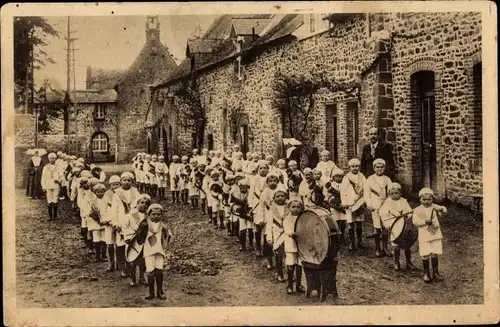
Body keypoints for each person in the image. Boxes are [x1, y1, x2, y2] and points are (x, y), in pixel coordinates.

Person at [412, 188, 447, 283]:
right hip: (424, 234)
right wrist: (424, 222)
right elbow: (415, 221)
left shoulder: (434, 207)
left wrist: (441, 209)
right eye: (424, 199)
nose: (427, 202)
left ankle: (435, 272)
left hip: (435, 233)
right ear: (420, 199)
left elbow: (444, 210)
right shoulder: (417, 210)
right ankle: (426, 273)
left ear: (432, 199)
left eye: (429, 199)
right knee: (425, 253)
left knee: (434, 253)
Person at [379, 182, 415, 271]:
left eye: (396, 193)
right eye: (392, 193)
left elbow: (410, 213)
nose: (394, 195)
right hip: (394, 226)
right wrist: (387, 225)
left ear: (400, 193)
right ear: (389, 194)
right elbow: (383, 215)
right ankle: (396, 262)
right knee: (396, 245)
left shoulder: (404, 202)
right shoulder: (387, 203)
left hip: (404, 226)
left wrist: (407, 216)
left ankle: (408, 262)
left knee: (407, 244)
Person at [111, 172, 141, 278]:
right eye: (124, 180)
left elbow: (138, 207)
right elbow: (114, 209)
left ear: (131, 181)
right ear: (121, 181)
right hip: (121, 220)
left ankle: (130, 267)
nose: (126, 182)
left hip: (131, 221)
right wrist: (115, 223)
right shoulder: (116, 193)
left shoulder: (135, 192)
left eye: (129, 180)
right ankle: (122, 268)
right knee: (120, 245)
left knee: (131, 245)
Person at [143, 203, 173, 300]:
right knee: (150, 271)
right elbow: (139, 238)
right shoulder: (145, 224)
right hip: (148, 250)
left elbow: (168, 236)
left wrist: (165, 245)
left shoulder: (163, 226)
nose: (156, 216)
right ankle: (151, 292)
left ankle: (160, 291)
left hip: (160, 250)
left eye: (158, 214)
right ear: (149, 214)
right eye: (153, 214)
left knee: (159, 270)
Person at [364, 158, 392, 257]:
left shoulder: (387, 179)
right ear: (374, 168)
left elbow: (391, 193)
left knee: (385, 227)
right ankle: (377, 248)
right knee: (377, 227)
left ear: (384, 168)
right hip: (375, 205)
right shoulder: (369, 179)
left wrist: (389, 204)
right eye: (377, 167)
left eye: (381, 167)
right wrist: (369, 204)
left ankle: (385, 247)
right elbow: (366, 194)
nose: (379, 169)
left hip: (385, 205)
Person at [122, 193, 151, 287]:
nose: (144, 205)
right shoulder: (130, 215)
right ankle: (133, 278)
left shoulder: (148, 216)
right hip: (132, 239)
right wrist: (127, 237)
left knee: (142, 260)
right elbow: (125, 227)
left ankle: (142, 277)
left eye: (146, 203)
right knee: (132, 261)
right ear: (137, 203)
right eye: (142, 202)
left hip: (143, 240)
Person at [340, 158, 367, 251]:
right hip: (349, 202)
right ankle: (352, 242)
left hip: (359, 202)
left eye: (356, 166)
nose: (355, 168)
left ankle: (360, 241)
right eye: (352, 166)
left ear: (359, 167)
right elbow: (342, 191)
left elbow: (365, 188)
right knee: (351, 223)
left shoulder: (362, 177)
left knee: (359, 222)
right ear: (349, 167)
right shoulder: (346, 177)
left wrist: (364, 200)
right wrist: (344, 202)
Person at [265, 185, 288, 282]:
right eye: (277, 196)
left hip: (287, 233)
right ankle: (280, 274)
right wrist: (269, 237)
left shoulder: (289, 208)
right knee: (279, 255)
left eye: (282, 196)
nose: (280, 198)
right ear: (274, 198)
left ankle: (290, 274)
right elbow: (269, 224)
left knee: (288, 254)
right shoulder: (271, 209)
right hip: (276, 233)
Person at [285, 197, 306, 294]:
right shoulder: (287, 219)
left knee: (299, 265)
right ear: (288, 207)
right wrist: (291, 233)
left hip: (300, 244)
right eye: (293, 207)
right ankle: (289, 285)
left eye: (298, 207)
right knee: (291, 264)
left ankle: (298, 285)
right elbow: (287, 229)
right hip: (291, 244)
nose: (296, 209)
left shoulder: (303, 217)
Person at [84, 181, 108, 263]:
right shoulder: (92, 201)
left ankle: (104, 255)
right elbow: (89, 212)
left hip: (105, 223)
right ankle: (97, 255)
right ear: (95, 192)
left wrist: (105, 220)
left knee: (104, 239)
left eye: (102, 192)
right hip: (95, 223)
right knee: (97, 239)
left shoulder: (107, 201)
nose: (100, 193)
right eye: (98, 192)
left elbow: (109, 211)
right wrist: (96, 218)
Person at [249, 160, 269, 257]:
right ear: (257, 170)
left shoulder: (270, 179)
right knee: (257, 226)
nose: (263, 170)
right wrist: (250, 204)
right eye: (260, 168)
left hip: (266, 205)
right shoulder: (254, 179)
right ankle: (258, 247)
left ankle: (266, 248)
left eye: (264, 168)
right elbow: (251, 192)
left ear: (268, 169)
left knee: (266, 226)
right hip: (256, 204)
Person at [102, 175, 121, 272]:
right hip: (109, 222)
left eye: (117, 184)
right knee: (109, 243)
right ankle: (111, 263)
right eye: (113, 185)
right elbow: (103, 209)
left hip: (118, 222)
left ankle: (119, 262)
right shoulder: (107, 194)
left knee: (119, 243)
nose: (116, 186)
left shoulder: (121, 194)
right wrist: (106, 219)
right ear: (110, 186)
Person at [231, 176, 254, 251]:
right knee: (242, 229)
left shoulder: (251, 194)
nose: (242, 189)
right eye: (241, 188)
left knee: (250, 229)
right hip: (241, 214)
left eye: (244, 188)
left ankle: (251, 244)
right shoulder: (236, 193)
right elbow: (232, 203)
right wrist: (237, 208)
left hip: (249, 212)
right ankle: (242, 245)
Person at [325, 168, 347, 244]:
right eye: (336, 176)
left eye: (340, 176)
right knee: (335, 220)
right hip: (334, 205)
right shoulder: (330, 185)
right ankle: (335, 236)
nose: (338, 178)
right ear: (333, 177)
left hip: (342, 204)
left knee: (343, 220)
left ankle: (342, 236)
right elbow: (327, 195)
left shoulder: (344, 184)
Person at [41, 153, 61, 221]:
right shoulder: (46, 167)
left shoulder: (58, 166)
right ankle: (50, 216)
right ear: (48, 159)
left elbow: (61, 176)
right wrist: (43, 187)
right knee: (49, 200)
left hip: (56, 185)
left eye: (53, 158)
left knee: (55, 200)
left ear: (55, 159)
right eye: (50, 158)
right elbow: (43, 177)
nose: (52, 160)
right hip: (48, 185)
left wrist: (58, 180)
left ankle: (55, 216)